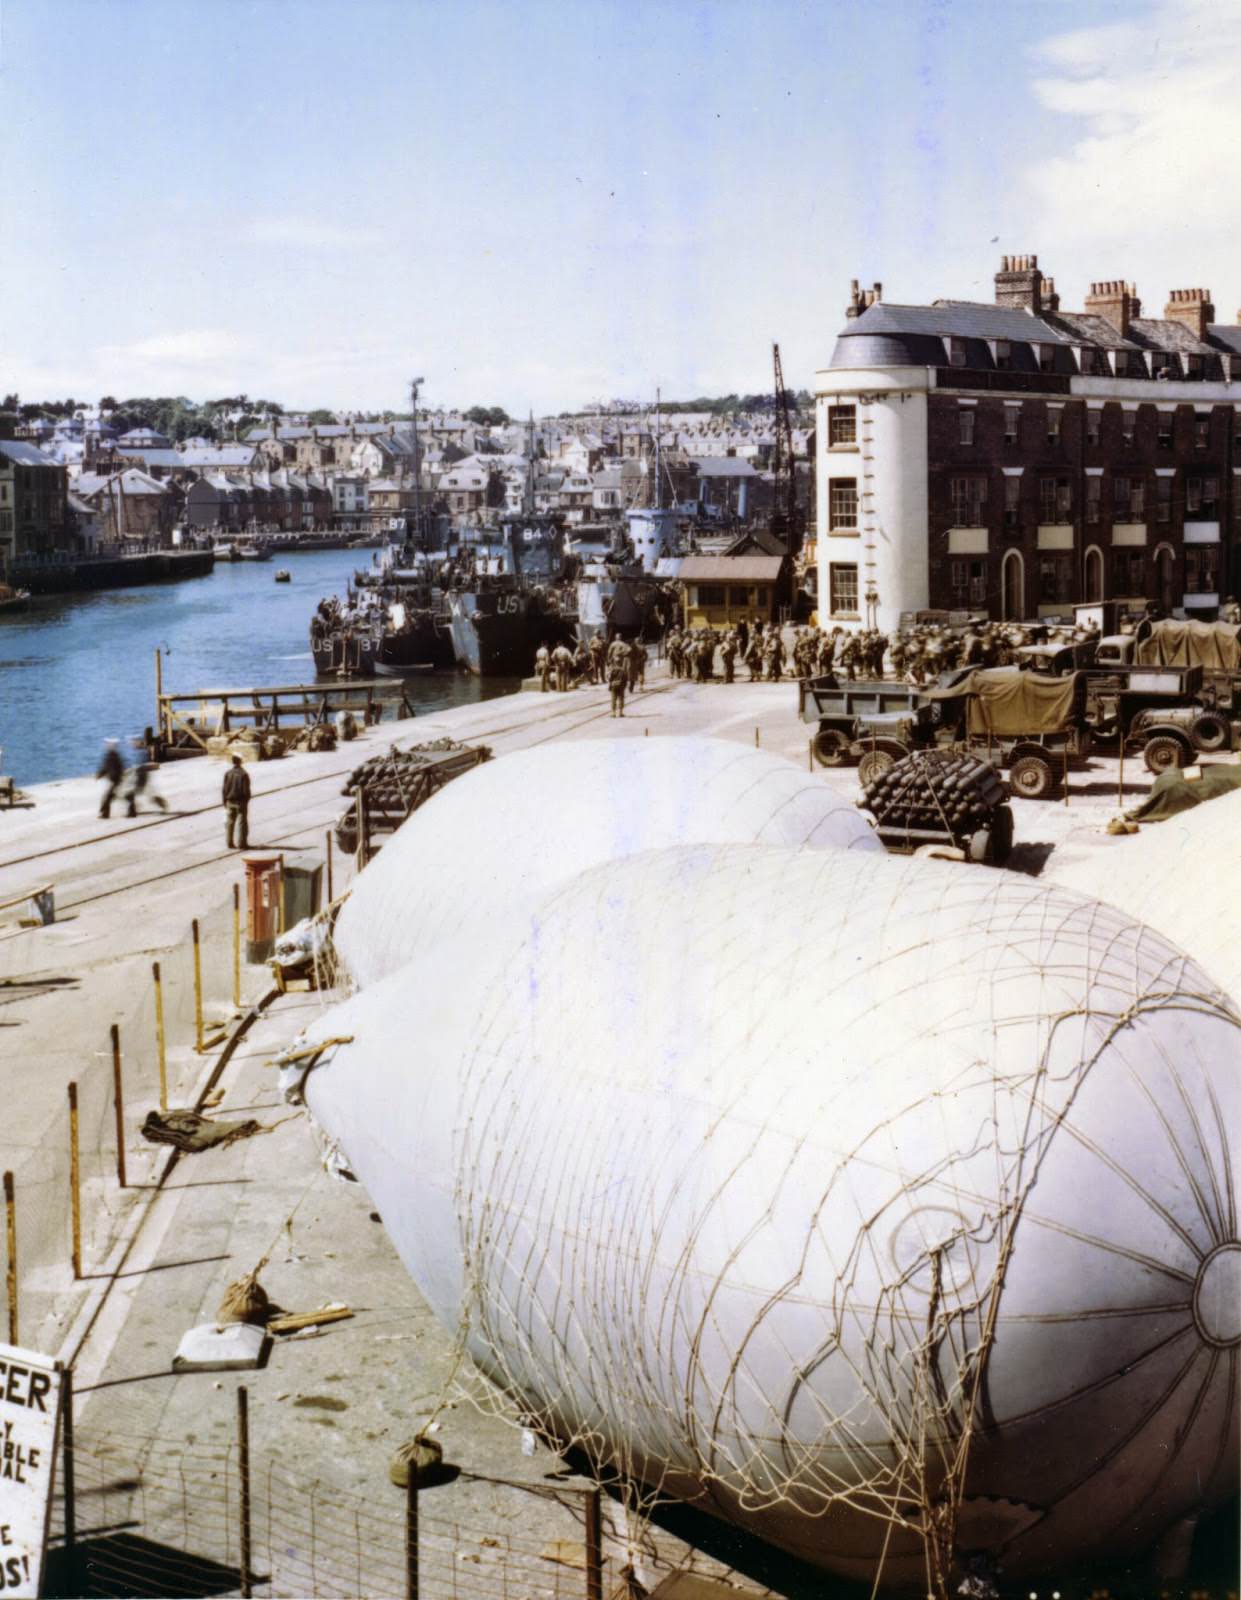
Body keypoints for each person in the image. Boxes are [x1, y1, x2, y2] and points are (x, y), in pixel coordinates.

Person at [223, 754, 251, 850]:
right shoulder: (244, 774)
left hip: (229, 801)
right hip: (240, 802)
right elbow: (246, 791)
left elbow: (224, 789)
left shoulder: (228, 773)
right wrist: (246, 801)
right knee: (242, 823)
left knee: (230, 822)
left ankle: (229, 843)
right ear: (240, 761)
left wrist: (224, 802)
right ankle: (242, 843)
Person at [96, 738, 125, 819]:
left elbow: (106, 768)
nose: (106, 745)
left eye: (108, 744)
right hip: (115, 780)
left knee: (107, 797)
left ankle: (104, 813)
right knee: (108, 797)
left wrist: (100, 774)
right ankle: (105, 813)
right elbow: (107, 768)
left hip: (114, 780)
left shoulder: (111, 756)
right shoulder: (115, 756)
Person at [606, 637, 630, 717]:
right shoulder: (623, 670)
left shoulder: (612, 669)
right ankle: (621, 712)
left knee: (613, 698)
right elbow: (626, 678)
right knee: (621, 698)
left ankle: (613, 713)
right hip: (621, 685)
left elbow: (608, 677)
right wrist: (625, 684)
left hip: (613, 685)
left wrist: (610, 683)